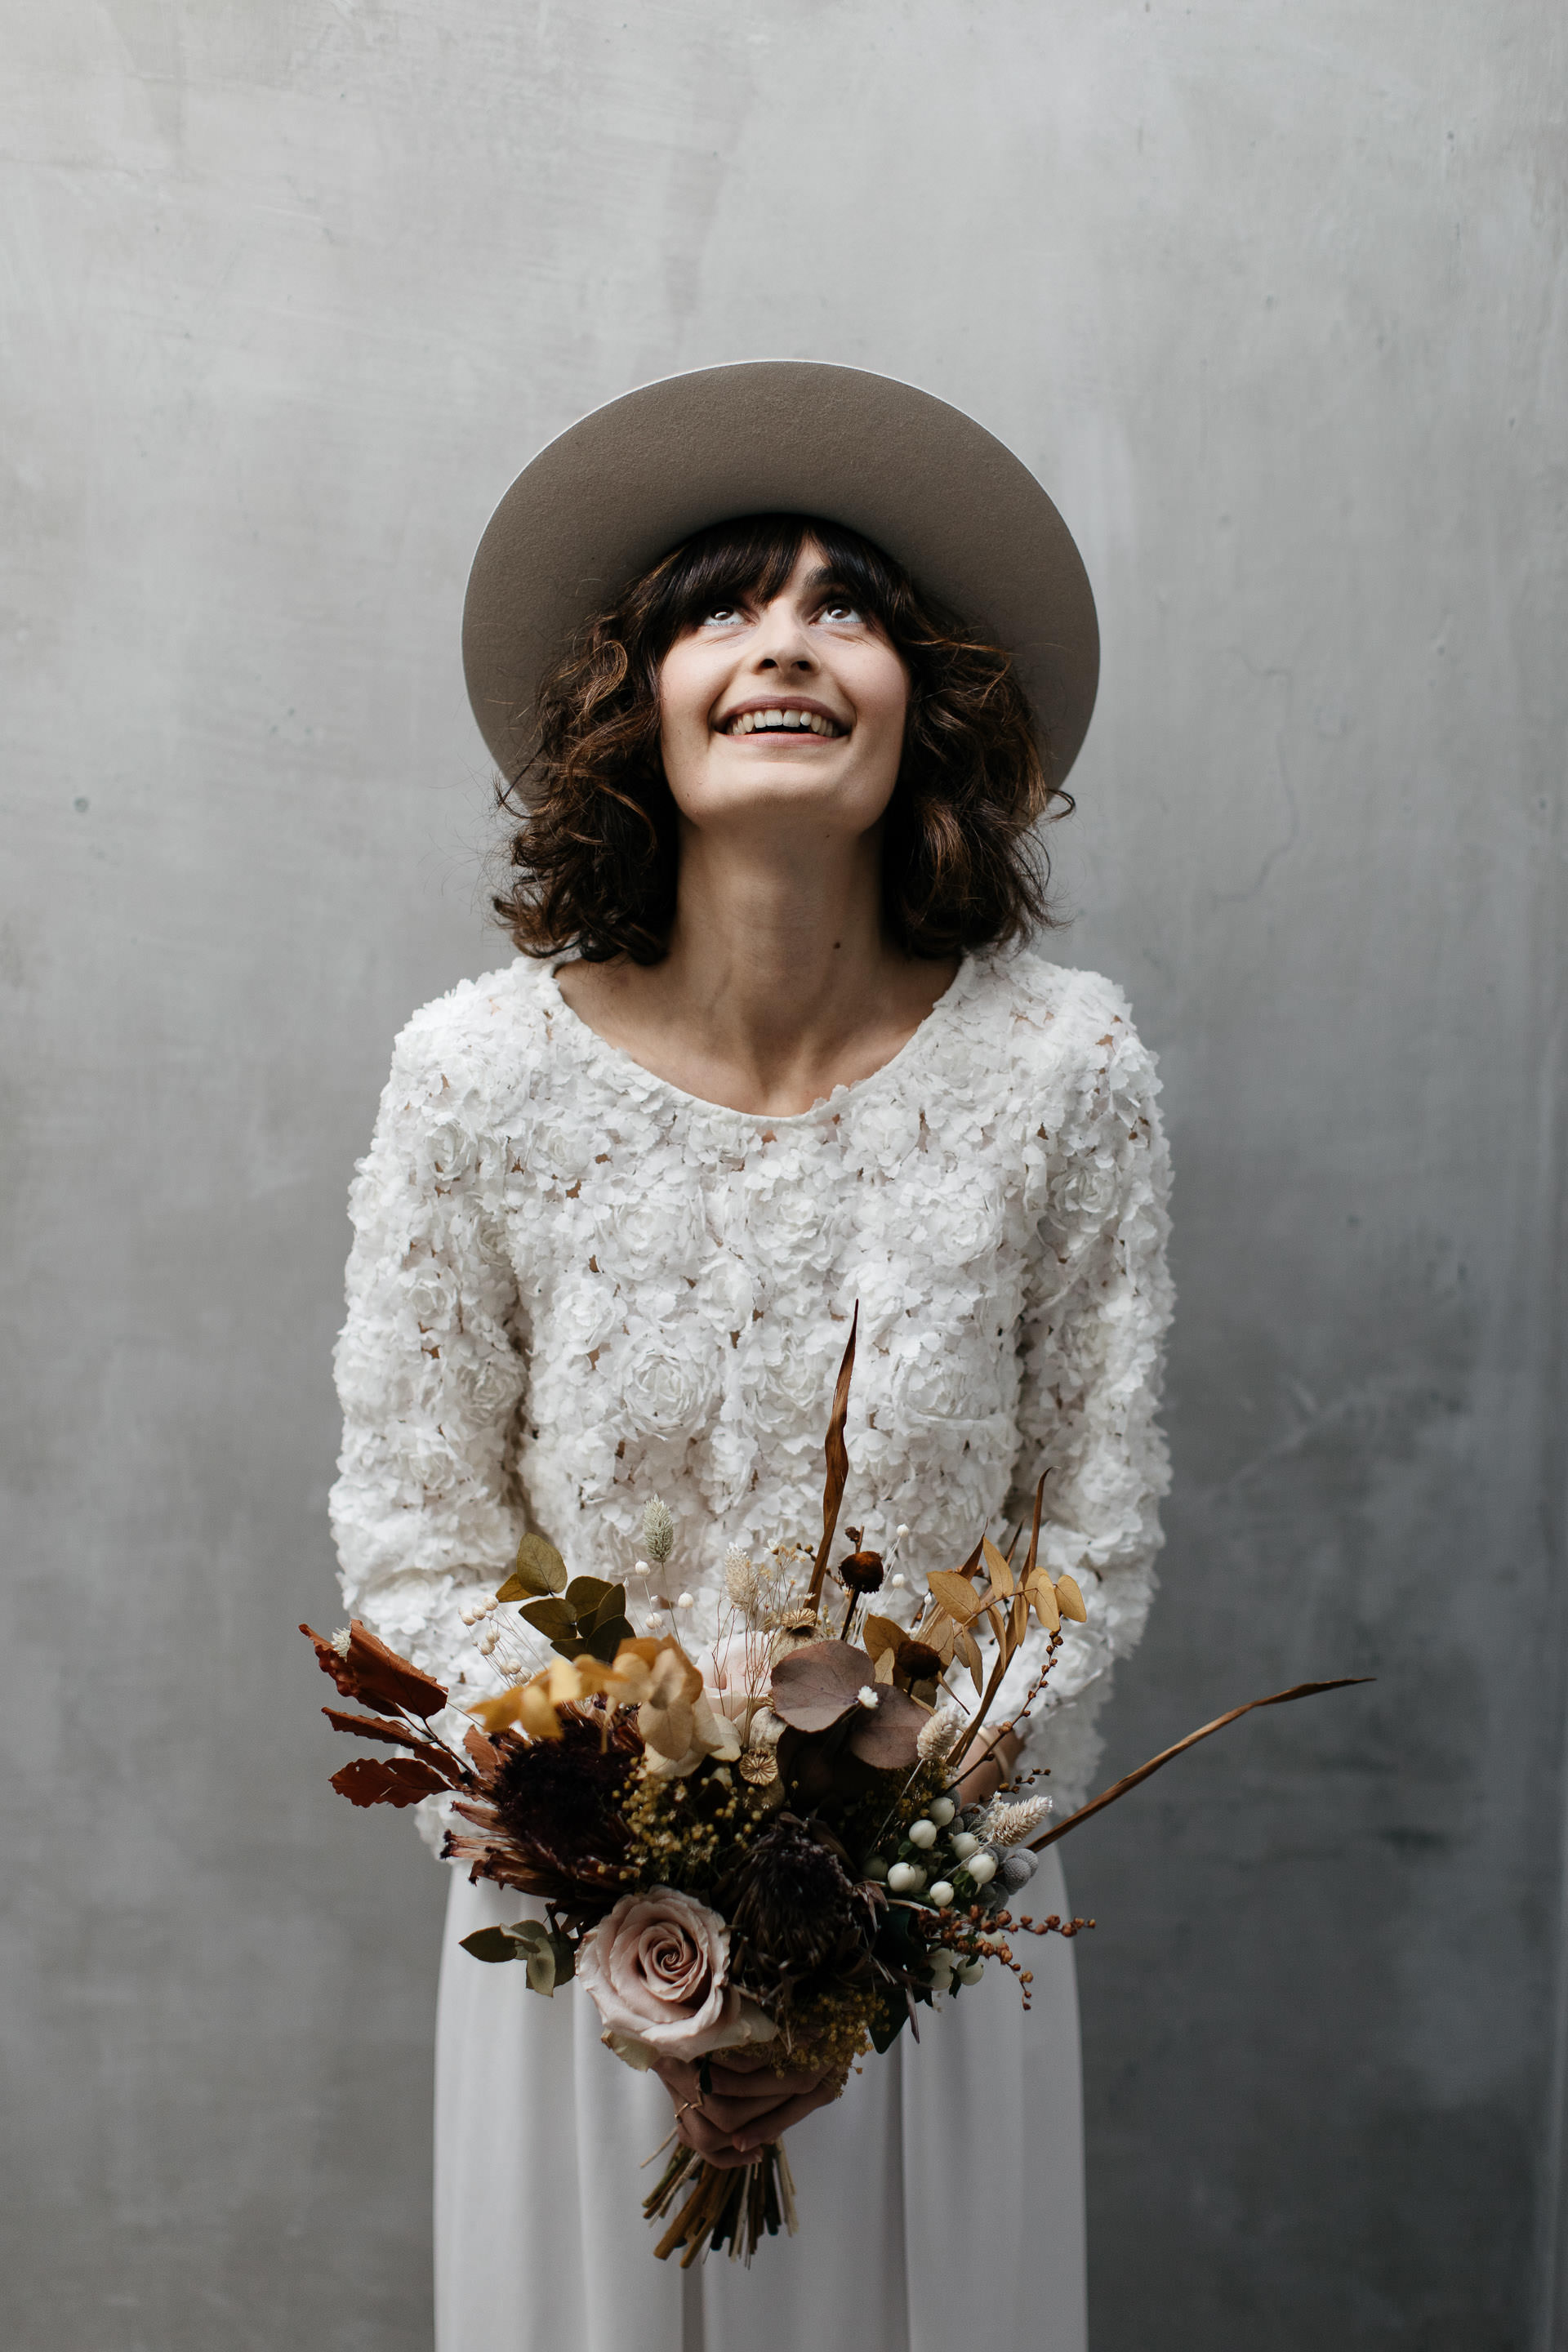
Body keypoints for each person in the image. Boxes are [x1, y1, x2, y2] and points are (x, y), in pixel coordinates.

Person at [329, 363, 1173, 2352]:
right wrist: (630, 1855)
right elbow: (419, 1543)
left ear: (926, 706)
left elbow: (1089, 1547)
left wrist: (861, 1904)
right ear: (639, 702)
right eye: (725, 604)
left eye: (847, 607)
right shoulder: (472, 1079)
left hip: (920, 1969)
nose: (787, 640)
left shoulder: (1070, 1078)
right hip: (586, 1956)